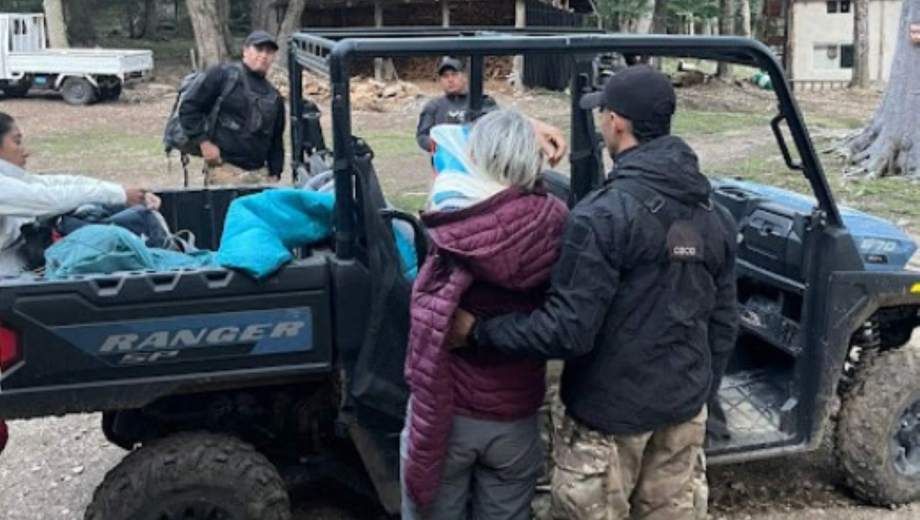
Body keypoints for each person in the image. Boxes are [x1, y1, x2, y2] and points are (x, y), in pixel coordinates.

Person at [448, 65, 739, 520]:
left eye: (602, 113)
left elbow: (567, 331)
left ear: (616, 123)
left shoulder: (601, 217)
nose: (601, 122)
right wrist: (698, 390)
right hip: (682, 415)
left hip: (608, 426)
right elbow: (723, 321)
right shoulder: (713, 214)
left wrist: (480, 331)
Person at [401, 110, 569, 520]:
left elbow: (449, 138)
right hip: (515, 415)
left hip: (450, 415)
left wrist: (520, 123)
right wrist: (529, 128)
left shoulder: (454, 217)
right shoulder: (558, 221)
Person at [0, 112, 159, 277]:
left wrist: (122, 192)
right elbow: (50, 199)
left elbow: (58, 184)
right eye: (17, 142)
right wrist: (121, 195)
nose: (25, 152)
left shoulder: (12, 179)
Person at [179, 30, 285, 186]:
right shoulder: (222, 76)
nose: (263, 55)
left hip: (260, 173)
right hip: (224, 168)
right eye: (259, 49)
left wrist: (275, 174)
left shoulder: (274, 96)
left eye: (269, 51)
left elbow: (276, 140)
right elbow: (189, 108)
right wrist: (204, 143)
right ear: (245, 51)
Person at [416, 56, 498, 153]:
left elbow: (497, 132)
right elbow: (422, 136)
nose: (450, 80)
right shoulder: (433, 106)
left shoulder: (483, 102)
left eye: (454, 75)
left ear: (464, 77)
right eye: (445, 76)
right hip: (446, 161)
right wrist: (438, 145)